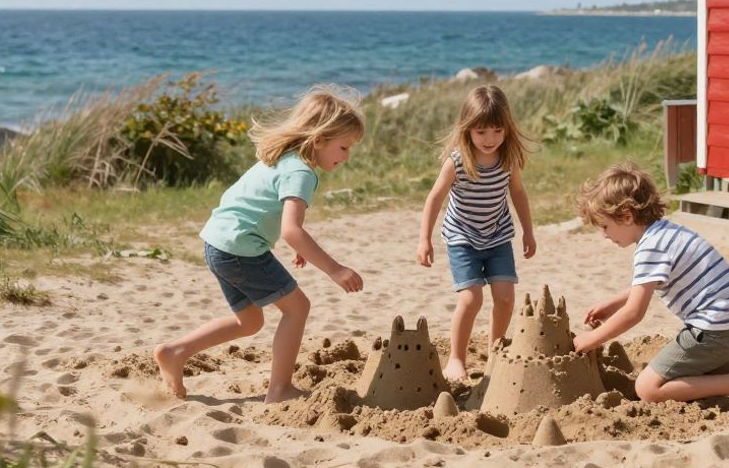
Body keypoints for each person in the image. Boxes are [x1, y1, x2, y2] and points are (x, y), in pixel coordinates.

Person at [154, 86, 365, 403]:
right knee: (298, 309)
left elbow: (266, 207)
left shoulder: (285, 158)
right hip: (240, 248)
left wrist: (297, 243)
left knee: (250, 321)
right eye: (344, 147)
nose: (346, 157)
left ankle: (175, 352)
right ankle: (279, 390)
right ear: (319, 139)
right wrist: (335, 269)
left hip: (217, 242)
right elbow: (292, 230)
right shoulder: (301, 173)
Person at [571, 163, 729, 414]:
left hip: (715, 329)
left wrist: (592, 339)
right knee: (689, 369)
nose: (604, 235)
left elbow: (634, 313)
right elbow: (650, 283)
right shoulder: (666, 231)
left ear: (627, 216)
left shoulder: (650, 248)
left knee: (648, 387)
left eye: (605, 226)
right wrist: (613, 303)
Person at [416, 84, 535, 383]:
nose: (489, 139)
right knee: (471, 300)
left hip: (497, 236)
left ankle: (496, 351)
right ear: (467, 129)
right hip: (462, 238)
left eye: (497, 131)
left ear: (506, 129)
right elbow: (434, 198)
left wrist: (528, 232)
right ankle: (456, 358)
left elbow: (518, 194)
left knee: (506, 298)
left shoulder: (508, 159)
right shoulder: (457, 161)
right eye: (481, 132)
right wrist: (424, 239)